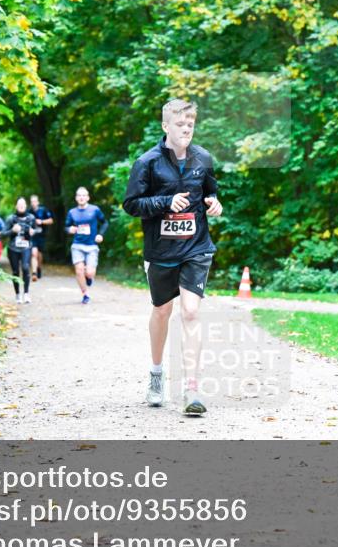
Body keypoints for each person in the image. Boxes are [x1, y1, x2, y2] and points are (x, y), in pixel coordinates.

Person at [122, 99, 223, 416]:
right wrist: (166, 202)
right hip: (161, 250)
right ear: (166, 126)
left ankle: (192, 389)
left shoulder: (203, 158)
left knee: (191, 311)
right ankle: (156, 374)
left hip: (196, 247)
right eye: (180, 124)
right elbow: (132, 204)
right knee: (162, 311)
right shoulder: (147, 162)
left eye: (190, 124)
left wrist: (214, 203)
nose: (186, 129)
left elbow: (211, 191)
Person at [65, 186, 107, 305]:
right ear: (76, 198)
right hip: (77, 245)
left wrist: (100, 234)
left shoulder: (95, 210)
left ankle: (88, 277)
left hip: (92, 246)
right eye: (79, 195)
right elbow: (66, 226)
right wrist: (69, 229)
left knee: (89, 272)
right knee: (79, 270)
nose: (82, 197)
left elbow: (105, 222)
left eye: (84, 195)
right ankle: (85, 294)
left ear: (88, 197)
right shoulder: (72, 212)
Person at [3, 197, 37, 304]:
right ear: (16, 206)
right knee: (15, 271)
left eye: (23, 205)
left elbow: (34, 230)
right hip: (13, 248)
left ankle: (26, 294)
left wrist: (32, 232)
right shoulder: (11, 219)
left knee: (26, 267)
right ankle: (17, 294)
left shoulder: (31, 218)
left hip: (26, 247)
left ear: (26, 206)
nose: (21, 206)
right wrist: (12, 230)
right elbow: (2, 234)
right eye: (19, 205)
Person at [29, 194, 54, 280]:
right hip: (32, 236)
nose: (33, 203)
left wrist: (42, 221)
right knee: (33, 253)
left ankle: (39, 268)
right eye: (32, 202)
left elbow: (51, 220)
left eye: (35, 201)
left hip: (41, 236)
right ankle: (34, 273)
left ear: (38, 202)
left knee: (39, 255)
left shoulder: (43, 210)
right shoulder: (28, 212)